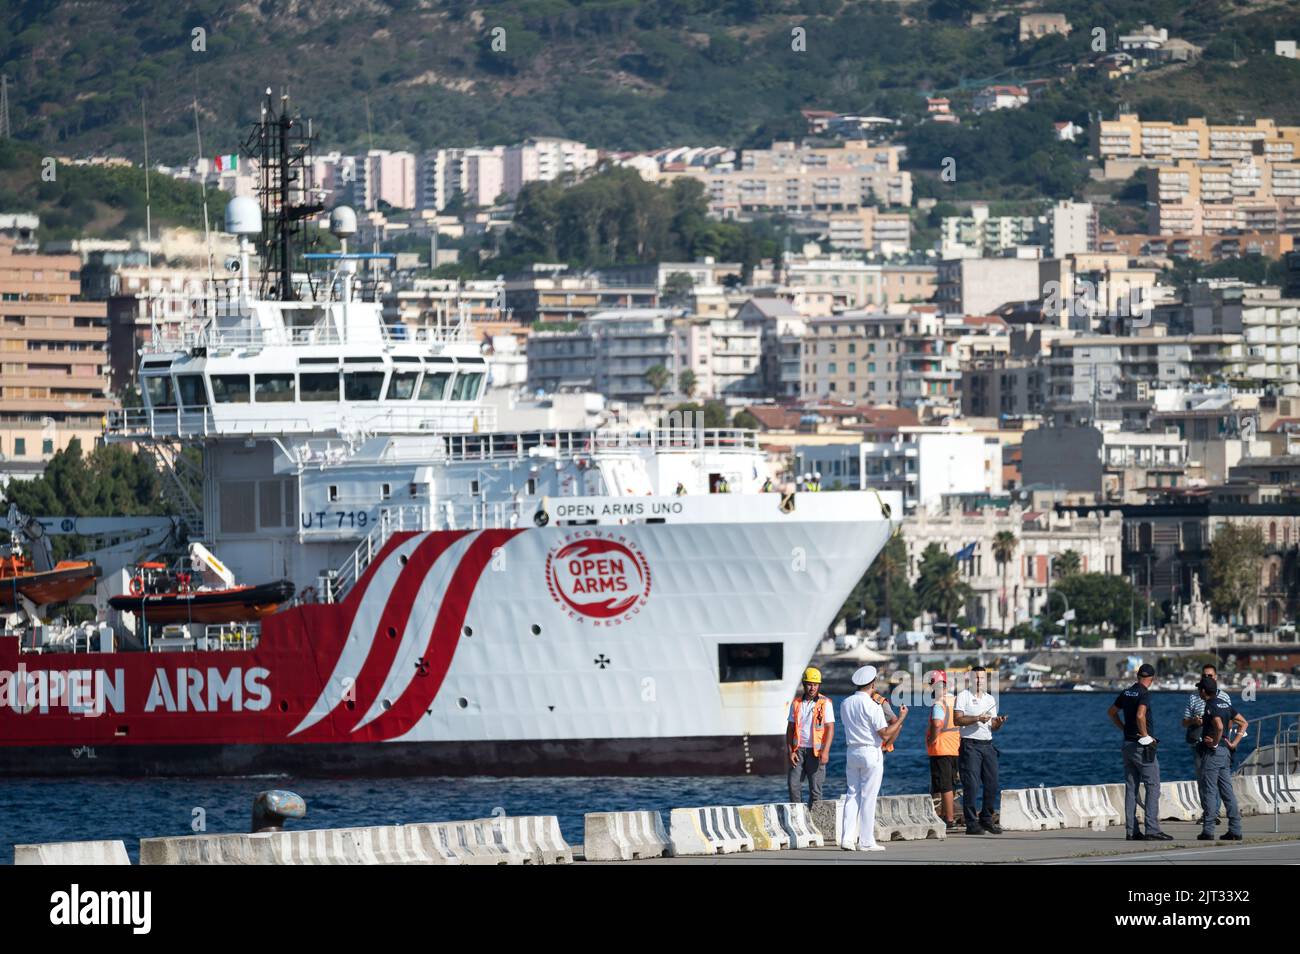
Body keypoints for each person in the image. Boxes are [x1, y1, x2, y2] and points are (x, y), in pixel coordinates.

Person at [838, 665, 908, 851]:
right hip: (870, 751)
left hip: (851, 751)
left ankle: (846, 838)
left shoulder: (845, 703)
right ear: (872, 684)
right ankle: (866, 841)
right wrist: (901, 718)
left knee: (852, 794)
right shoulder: (872, 705)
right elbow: (885, 734)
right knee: (869, 797)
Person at [1108, 663, 1174, 841]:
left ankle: (1131, 831)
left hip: (1127, 745)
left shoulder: (1127, 691)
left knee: (1131, 789)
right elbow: (1140, 715)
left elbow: (1112, 712)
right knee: (1153, 786)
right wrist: (1146, 737)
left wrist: (1124, 729)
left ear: (1138, 676)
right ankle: (1152, 830)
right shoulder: (1144, 693)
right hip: (1141, 746)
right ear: (1151, 679)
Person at [1181, 661, 1242, 826]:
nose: (1207, 678)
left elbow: (1229, 723)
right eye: (1204, 676)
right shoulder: (1194, 696)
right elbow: (1184, 722)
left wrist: (1216, 733)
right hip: (1198, 743)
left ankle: (1213, 817)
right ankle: (1210, 814)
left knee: (1220, 782)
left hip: (1217, 744)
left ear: (1216, 677)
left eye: (1210, 676)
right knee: (1203, 780)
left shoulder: (1224, 697)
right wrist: (1194, 720)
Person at [954, 665, 1007, 835]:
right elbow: (957, 720)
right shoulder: (963, 696)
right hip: (970, 745)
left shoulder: (990, 699)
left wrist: (998, 722)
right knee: (972, 785)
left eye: (982, 678)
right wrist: (977, 718)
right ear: (970, 678)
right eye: (976, 677)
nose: (979, 681)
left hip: (988, 745)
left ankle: (986, 818)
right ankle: (971, 823)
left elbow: (993, 726)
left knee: (992, 783)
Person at [1195, 676, 1244, 842]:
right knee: (1227, 791)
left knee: (1209, 790)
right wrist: (1233, 743)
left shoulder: (1210, 705)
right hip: (1225, 752)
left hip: (1214, 753)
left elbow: (1220, 726)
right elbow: (1243, 723)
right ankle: (1235, 829)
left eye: (1199, 689)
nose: (1198, 692)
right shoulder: (1225, 704)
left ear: (1203, 691)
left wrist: (1215, 743)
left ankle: (1208, 831)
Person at [786, 667, 834, 806]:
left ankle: (815, 820)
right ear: (804, 684)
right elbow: (790, 729)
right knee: (793, 785)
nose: (812, 688)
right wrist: (791, 751)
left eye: (815, 684)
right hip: (798, 751)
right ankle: (797, 816)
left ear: (819, 685)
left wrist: (825, 751)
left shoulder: (825, 703)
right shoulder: (796, 703)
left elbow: (830, 728)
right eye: (809, 684)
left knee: (815, 790)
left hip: (816, 752)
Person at [925, 670, 962, 830]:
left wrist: (932, 738)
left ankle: (949, 819)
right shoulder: (956, 700)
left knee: (945, 785)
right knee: (952, 785)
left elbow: (937, 724)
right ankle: (949, 815)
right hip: (955, 747)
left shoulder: (939, 703)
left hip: (940, 749)